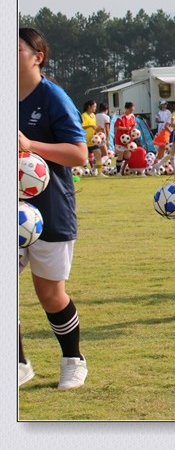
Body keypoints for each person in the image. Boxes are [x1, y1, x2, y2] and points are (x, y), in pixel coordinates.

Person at [18, 27, 90, 389]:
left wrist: (30, 145)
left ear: (38, 57)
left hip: (50, 210)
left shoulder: (53, 98)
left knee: (50, 294)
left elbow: (79, 154)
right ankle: (18, 364)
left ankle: (73, 359)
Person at [113, 102, 137, 174]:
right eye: (130, 110)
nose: (132, 111)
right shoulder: (121, 117)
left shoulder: (132, 116)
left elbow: (133, 126)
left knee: (127, 156)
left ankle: (122, 169)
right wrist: (125, 128)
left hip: (128, 139)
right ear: (126, 109)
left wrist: (134, 132)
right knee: (120, 155)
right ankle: (118, 172)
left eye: (133, 110)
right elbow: (116, 126)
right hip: (120, 139)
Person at [80, 100, 100, 170]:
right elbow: (81, 127)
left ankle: (99, 172)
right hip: (85, 140)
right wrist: (90, 126)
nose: (95, 108)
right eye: (94, 106)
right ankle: (88, 170)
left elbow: (95, 127)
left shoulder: (94, 115)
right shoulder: (84, 115)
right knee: (84, 158)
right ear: (89, 106)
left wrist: (98, 130)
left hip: (93, 140)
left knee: (98, 155)